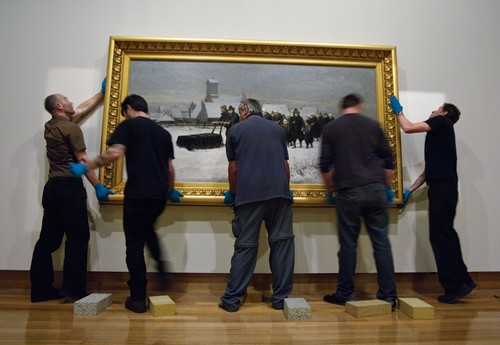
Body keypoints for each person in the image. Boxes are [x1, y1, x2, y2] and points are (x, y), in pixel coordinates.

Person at [70, 94, 184, 313]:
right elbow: (169, 168)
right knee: (147, 230)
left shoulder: (129, 125)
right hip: (158, 196)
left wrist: (86, 167)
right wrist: (169, 191)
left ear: (128, 108)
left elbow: (114, 153)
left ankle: (138, 298)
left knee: (134, 245)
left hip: (138, 193)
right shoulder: (163, 133)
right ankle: (162, 268)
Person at [30, 78, 114, 303]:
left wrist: (101, 94)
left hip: (52, 188)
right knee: (78, 238)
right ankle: (73, 290)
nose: (71, 102)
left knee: (48, 241)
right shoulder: (71, 128)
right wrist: (98, 186)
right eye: (66, 100)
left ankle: (40, 290)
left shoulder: (52, 126)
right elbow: (82, 160)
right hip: (69, 188)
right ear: (58, 106)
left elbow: (82, 108)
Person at [390, 95, 476, 303]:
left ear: (445, 113)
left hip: (442, 190)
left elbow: (408, 128)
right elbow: (428, 172)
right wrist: (410, 190)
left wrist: (398, 112)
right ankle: (461, 282)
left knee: (440, 236)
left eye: (437, 108)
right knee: (445, 234)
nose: (433, 111)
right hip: (444, 188)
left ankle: (455, 286)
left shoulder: (441, 122)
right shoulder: (443, 132)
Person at [319, 93, 397, 310]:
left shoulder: (332, 128)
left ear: (343, 107)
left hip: (348, 192)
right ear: (359, 106)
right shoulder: (373, 125)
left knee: (348, 246)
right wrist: (388, 187)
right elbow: (388, 160)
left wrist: (330, 189)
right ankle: (389, 297)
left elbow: (324, 165)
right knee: (381, 244)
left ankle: (345, 293)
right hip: (375, 190)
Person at [219, 98, 295, 312]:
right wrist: (285, 190)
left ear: (244, 111)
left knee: (246, 247)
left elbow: (233, 170)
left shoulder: (235, 130)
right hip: (279, 196)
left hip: (249, 196)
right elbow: (285, 165)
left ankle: (232, 300)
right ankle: (280, 299)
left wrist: (233, 194)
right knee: (282, 245)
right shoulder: (278, 130)